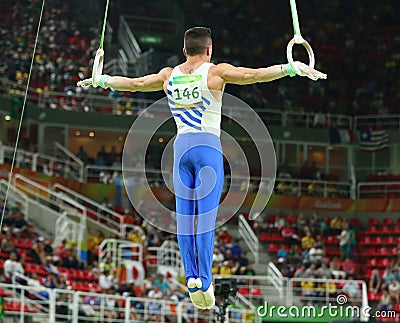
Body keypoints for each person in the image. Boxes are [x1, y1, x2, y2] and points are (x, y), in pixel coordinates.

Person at [78, 27, 326, 309]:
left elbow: (134, 84)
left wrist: (103, 79)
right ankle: (204, 280)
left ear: (184, 51)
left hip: (180, 150)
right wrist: (290, 68)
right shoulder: (215, 73)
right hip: (207, 149)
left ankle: (192, 277)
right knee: (206, 217)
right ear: (209, 50)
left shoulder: (168, 75)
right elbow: (254, 75)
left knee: (184, 217)